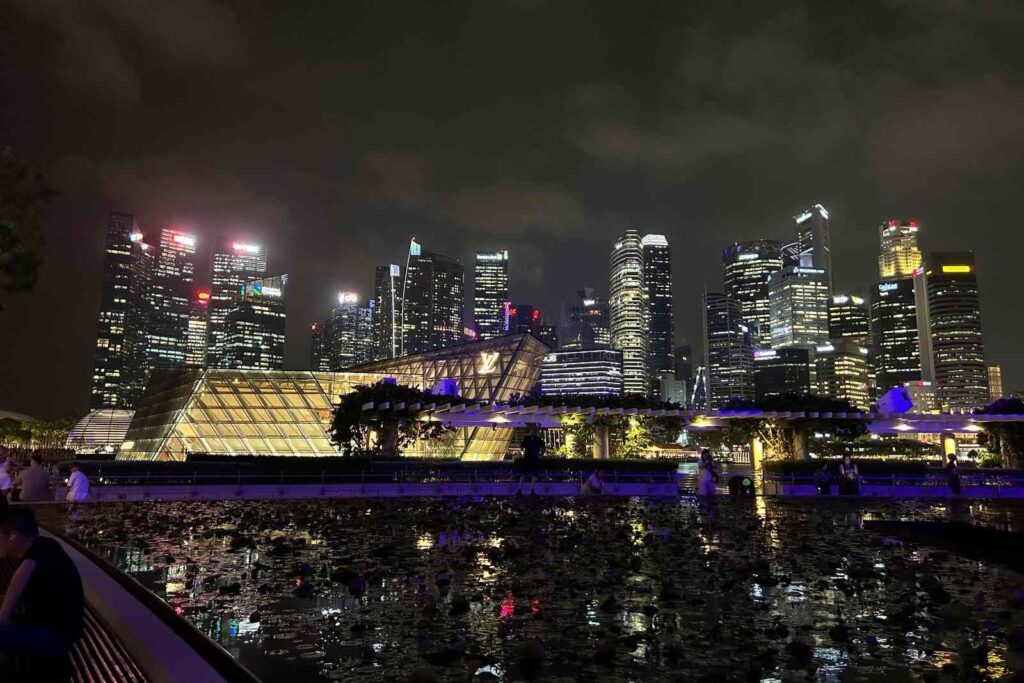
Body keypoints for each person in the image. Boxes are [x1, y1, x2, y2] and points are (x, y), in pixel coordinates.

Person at [0, 508, 84, 661]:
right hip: (64, 630)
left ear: (13, 536)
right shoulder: (46, 545)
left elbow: (3, 618)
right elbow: (10, 598)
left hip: (54, 638)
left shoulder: (28, 564)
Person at [518, 425, 545, 495]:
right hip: (527, 458)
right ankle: (520, 489)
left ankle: (531, 490)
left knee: (534, 475)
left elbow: (543, 447)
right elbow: (521, 447)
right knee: (524, 474)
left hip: (534, 459)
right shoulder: (526, 438)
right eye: (531, 430)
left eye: (533, 430)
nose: (532, 432)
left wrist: (541, 455)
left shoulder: (538, 439)